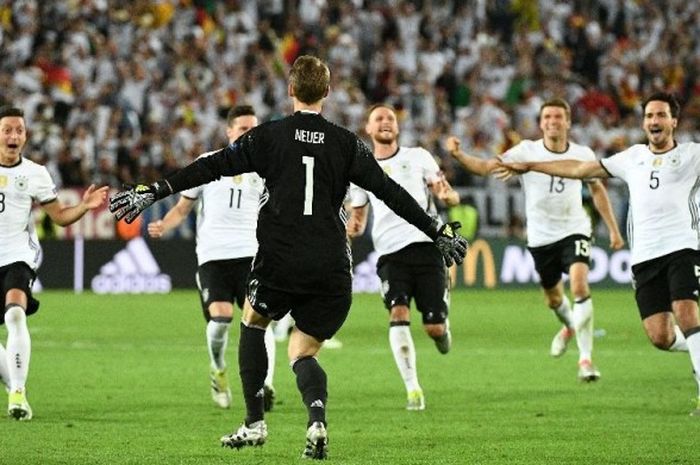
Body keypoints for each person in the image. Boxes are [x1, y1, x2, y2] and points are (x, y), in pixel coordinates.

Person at [109, 55, 467, 459]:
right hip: (332, 267)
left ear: (291, 90)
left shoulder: (268, 137)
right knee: (302, 352)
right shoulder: (347, 142)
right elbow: (392, 194)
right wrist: (436, 230)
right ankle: (316, 420)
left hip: (280, 259)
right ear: (327, 94)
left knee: (253, 323)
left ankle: (254, 423)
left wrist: (154, 190)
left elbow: (212, 167)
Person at [497, 92, 700, 414]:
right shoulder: (632, 158)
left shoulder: (693, 155)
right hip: (645, 257)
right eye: (649, 116)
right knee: (660, 336)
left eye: (661, 115)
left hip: (684, 248)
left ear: (674, 121)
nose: (654, 121)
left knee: (687, 312)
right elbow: (581, 169)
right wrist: (533, 164)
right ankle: (696, 353)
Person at [446, 98, 624, 382]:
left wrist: (613, 229)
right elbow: (487, 167)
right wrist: (459, 156)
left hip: (575, 228)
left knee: (579, 285)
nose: (553, 121)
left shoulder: (583, 153)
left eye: (558, 117)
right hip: (541, 237)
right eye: (548, 117)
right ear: (541, 123)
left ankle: (586, 360)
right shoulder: (525, 151)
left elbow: (598, 190)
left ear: (567, 122)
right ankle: (569, 326)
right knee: (554, 299)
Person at [147, 105, 277, 411]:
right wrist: (165, 224)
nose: (250, 134)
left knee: (260, 321)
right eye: (244, 129)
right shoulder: (208, 163)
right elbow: (183, 207)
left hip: (252, 256)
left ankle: (265, 385)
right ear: (229, 132)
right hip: (213, 257)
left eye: (254, 128)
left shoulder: (267, 169)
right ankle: (218, 370)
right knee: (220, 320)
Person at [346, 104, 460, 410]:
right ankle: (413, 390)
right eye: (378, 118)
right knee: (398, 314)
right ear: (368, 129)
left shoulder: (418, 156)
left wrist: (448, 196)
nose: (385, 122)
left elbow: (444, 191)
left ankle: (443, 331)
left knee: (434, 328)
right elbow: (357, 218)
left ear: (397, 128)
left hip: (427, 247)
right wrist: (347, 229)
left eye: (391, 118)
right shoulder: (361, 170)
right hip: (390, 254)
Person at [0, 106, 108, 420]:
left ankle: (18, 393)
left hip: (18, 256)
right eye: (7, 129)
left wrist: (85, 206)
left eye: (18, 130)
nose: (13, 136)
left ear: (25, 135)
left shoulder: (35, 173)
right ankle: (14, 389)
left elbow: (59, 217)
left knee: (16, 314)